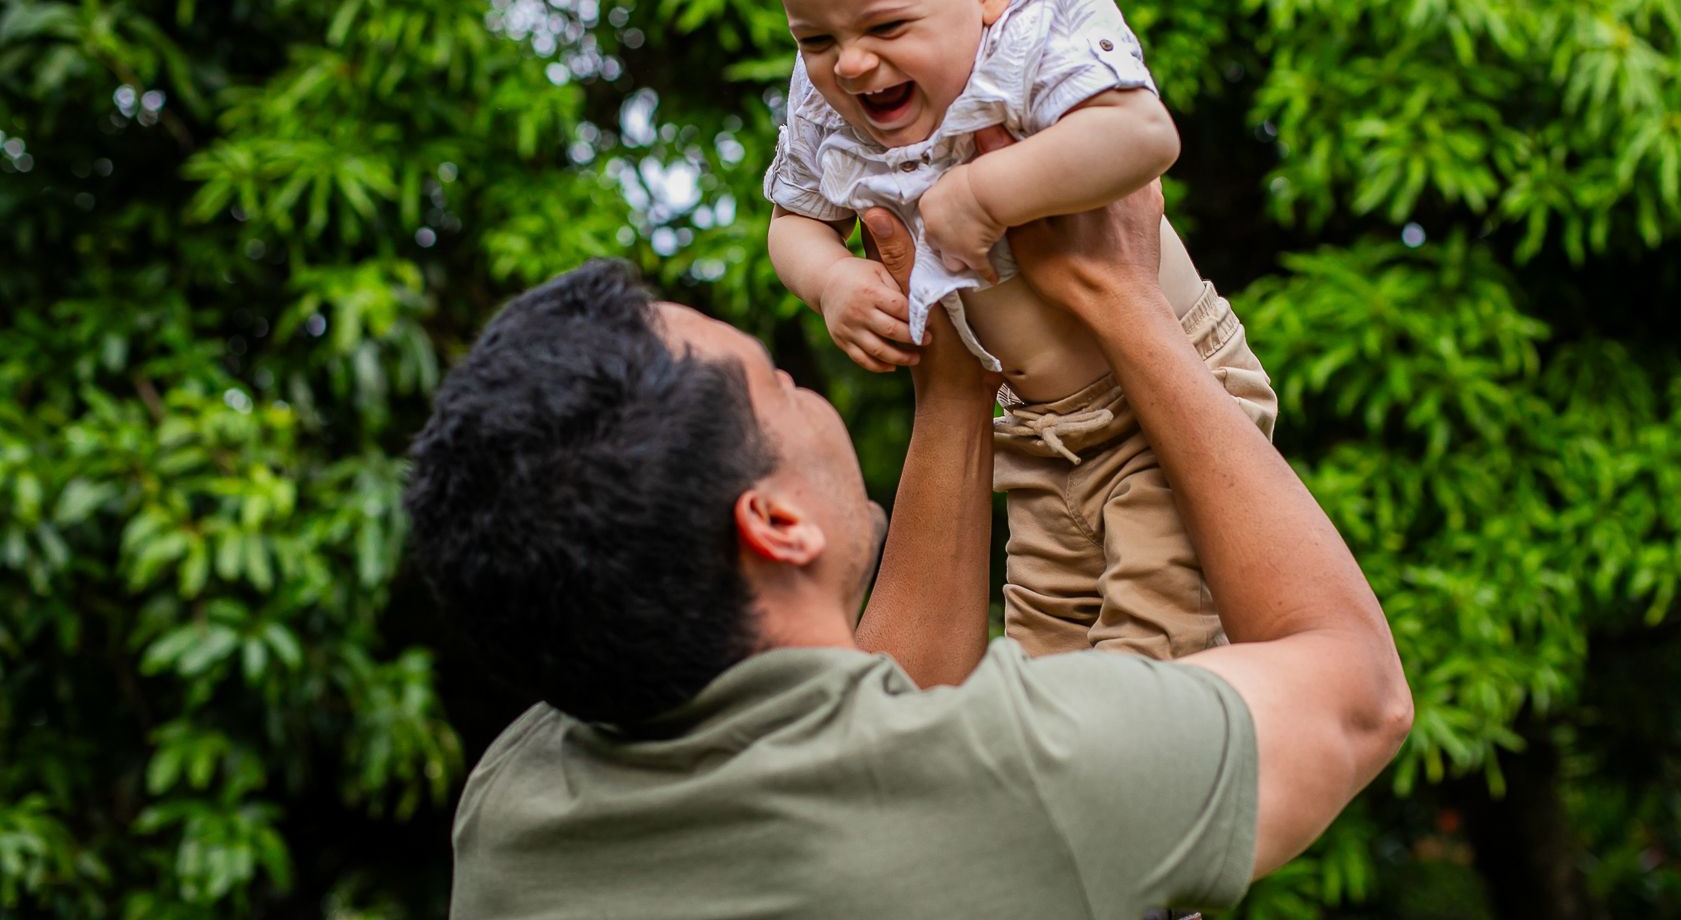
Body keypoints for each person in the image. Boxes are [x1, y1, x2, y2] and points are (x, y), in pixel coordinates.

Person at [405, 166, 1412, 918]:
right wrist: (1126, 300)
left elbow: (863, 716)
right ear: (774, 520)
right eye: (781, 382)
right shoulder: (1021, 781)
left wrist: (958, 384)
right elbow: (1357, 692)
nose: (805, 390)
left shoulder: (515, 809)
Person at [732, 0, 1278, 660]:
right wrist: (831, 280)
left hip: (1162, 401)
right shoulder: (828, 102)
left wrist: (988, 194)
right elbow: (792, 222)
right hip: (1034, 437)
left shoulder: (1038, 27)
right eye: (815, 37)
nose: (851, 63)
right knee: (1040, 651)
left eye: (885, 26)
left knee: (1153, 645)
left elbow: (1143, 135)